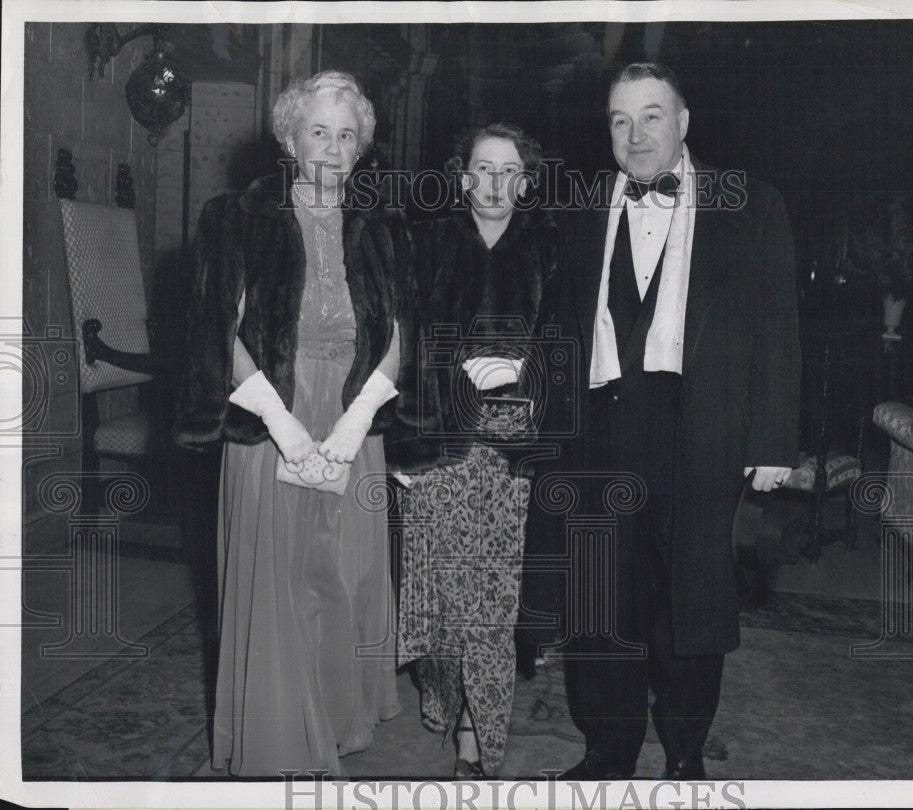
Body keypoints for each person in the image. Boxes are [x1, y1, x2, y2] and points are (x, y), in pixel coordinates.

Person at [517, 62, 801, 780]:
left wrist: (771, 441)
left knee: (690, 597)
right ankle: (605, 750)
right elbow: (560, 326)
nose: (635, 134)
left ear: (683, 123)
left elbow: (777, 329)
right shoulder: (583, 206)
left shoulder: (751, 204)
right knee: (598, 596)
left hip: (699, 427)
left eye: (651, 116)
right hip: (598, 428)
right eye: (620, 119)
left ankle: (682, 753)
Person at [173, 70, 408, 777]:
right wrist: (289, 428)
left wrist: (348, 428)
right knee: (278, 579)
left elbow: (401, 333)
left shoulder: (381, 226)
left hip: (354, 417)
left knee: (344, 572)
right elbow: (218, 334)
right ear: (288, 137)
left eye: (347, 135)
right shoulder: (233, 217)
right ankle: (279, 741)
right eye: (318, 132)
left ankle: (333, 725)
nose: (333, 151)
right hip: (266, 414)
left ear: (362, 147)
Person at [385, 122, 559, 777]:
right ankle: (444, 694)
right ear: (463, 178)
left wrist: (523, 382)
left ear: (525, 180)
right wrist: (404, 448)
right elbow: (399, 343)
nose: (493, 184)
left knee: (489, 605)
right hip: (434, 442)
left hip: (509, 449)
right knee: (438, 603)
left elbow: (561, 350)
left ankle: (473, 736)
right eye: (481, 170)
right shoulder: (424, 243)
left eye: (507, 171)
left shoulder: (547, 250)